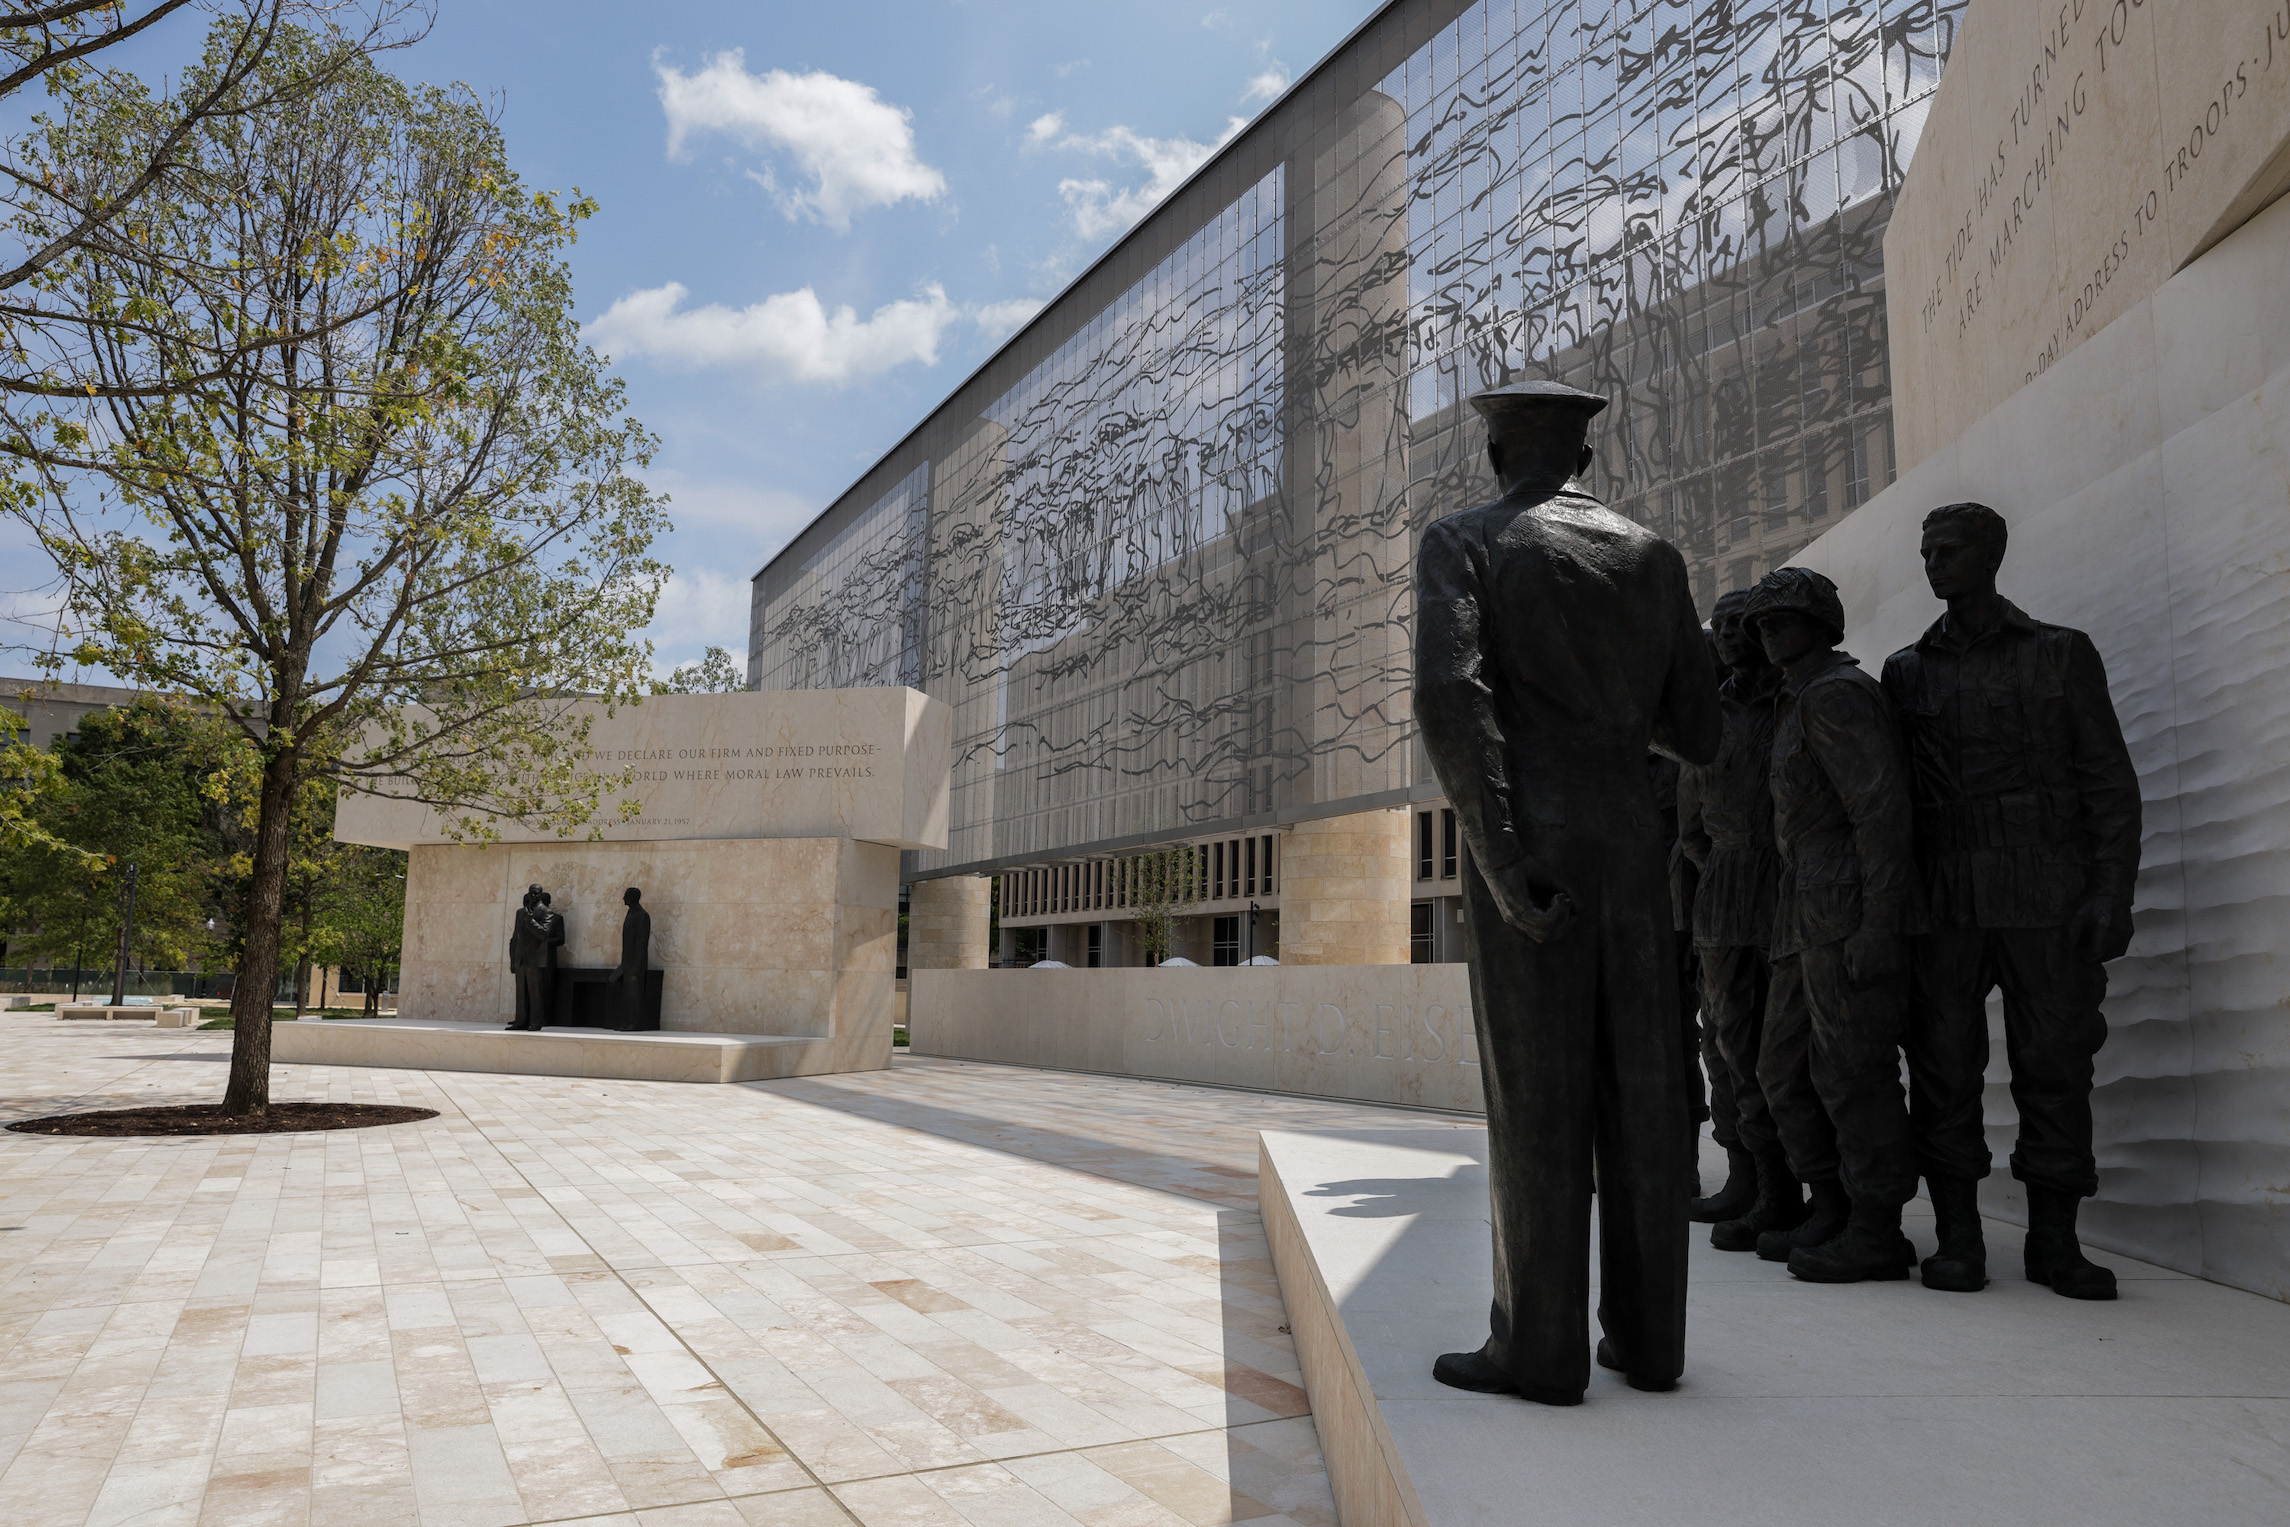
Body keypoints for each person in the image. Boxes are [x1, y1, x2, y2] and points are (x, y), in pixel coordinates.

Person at [1415, 379, 1720, 1404]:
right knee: (1644, 1090)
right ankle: (1649, 1339)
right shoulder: (1652, 556)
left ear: (1497, 455)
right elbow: (1701, 730)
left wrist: (1499, 859)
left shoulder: (1465, 540)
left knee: (1537, 1097)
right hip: (1630, 840)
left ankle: (1538, 1348)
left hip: (1528, 833)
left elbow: (1450, 695)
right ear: (1585, 460)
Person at [1882, 503, 2142, 1298]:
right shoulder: (1906, 671)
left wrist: (2111, 892)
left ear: (1991, 554)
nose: (1934, 564)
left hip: (2045, 895)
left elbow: (2109, 783)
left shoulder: (2060, 653)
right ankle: (1959, 1236)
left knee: (2055, 1065)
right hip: (1944, 902)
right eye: (1927, 552)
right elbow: (1890, 806)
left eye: (1948, 550)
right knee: (1943, 1068)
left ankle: (2055, 1242)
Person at [1741, 568, 1922, 1284]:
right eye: (1761, 623)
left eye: (1784, 618)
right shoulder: (1796, 698)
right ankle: (1831, 1203)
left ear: (1822, 622)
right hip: (1802, 906)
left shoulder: (1837, 694)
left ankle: (1876, 1227)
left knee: (1853, 1070)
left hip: (1846, 904)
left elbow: (1881, 812)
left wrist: (1880, 922)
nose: (1769, 632)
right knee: (1781, 1069)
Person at [1678, 589, 1797, 1242]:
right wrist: (1727, 866)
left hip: (1787, 886)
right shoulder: (1707, 718)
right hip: (1723, 892)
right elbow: (1692, 828)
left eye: (1737, 623)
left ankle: (1798, 1189)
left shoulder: (1797, 699)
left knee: (1789, 1046)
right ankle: (1751, 1180)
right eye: (1718, 624)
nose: (1725, 634)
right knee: (1727, 1042)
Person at [506, 884, 564, 1031]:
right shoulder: (520, 912)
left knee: (535, 993)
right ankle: (520, 1021)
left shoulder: (546, 912)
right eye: (531, 893)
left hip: (535, 959)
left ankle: (536, 1022)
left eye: (536, 893)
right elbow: (516, 937)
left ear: (540, 895)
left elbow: (543, 934)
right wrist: (513, 960)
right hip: (520, 959)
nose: (533, 896)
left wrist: (530, 921)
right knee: (521, 993)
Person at [611, 886, 652, 1031]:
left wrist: (637, 964)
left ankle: (635, 1022)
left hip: (635, 964)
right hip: (627, 962)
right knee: (628, 994)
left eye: (626, 895)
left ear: (633, 897)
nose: (623, 898)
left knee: (635, 994)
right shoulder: (631, 913)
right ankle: (628, 1020)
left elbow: (642, 941)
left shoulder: (641, 915)